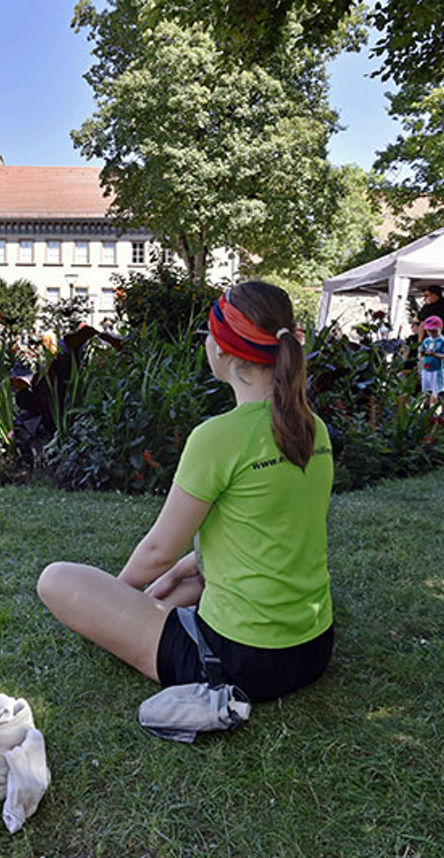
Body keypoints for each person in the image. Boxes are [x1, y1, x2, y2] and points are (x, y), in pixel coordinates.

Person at [37, 280, 334, 705]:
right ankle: (145, 610)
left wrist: (115, 598)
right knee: (187, 571)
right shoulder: (313, 428)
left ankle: (135, 612)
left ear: (223, 350)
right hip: (312, 649)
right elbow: (265, 533)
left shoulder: (218, 436)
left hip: (237, 660)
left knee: (57, 579)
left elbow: (158, 549)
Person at [418, 316, 444, 407]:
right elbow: (421, 353)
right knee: (426, 391)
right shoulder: (426, 341)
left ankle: (443, 409)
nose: (431, 333)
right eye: (429, 331)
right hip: (426, 369)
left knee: (440, 390)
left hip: (437, 370)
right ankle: (426, 408)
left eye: (434, 331)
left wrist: (435, 354)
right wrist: (421, 353)